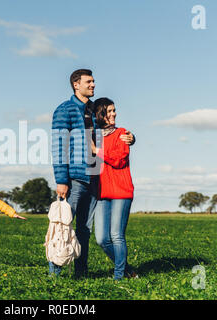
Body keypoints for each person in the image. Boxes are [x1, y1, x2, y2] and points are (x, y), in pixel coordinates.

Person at [51, 69, 135, 278]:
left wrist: (132, 137)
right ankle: (55, 272)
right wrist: (62, 180)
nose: (93, 85)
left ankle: (81, 271)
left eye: (94, 81)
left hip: (95, 180)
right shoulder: (65, 110)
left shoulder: (93, 110)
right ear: (76, 84)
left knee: (84, 230)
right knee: (63, 224)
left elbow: (111, 131)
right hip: (75, 178)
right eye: (89, 82)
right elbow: (58, 147)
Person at [91, 97, 137, 280]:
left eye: (114, 110)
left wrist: (97, 151)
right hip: (102, 193)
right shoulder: (93, 136)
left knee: (117, 236)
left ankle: (118, 276)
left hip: (121, 191)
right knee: (102, 239)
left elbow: (119, 160)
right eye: (108, 111)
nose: (113, 114)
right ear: (99, 115)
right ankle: (127, 269)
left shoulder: (123, 134)